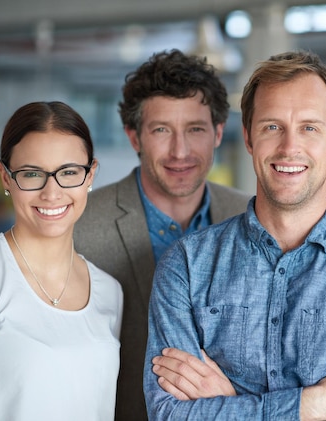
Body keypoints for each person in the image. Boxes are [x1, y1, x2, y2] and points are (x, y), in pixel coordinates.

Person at [143, 50, 326, 420]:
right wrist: (312, 404)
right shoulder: (186, 264)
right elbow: (168, 415)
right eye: (272, 127)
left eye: (309, 127)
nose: (290, 147)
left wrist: (228, 404)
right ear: (248, 138)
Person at [73, 50, 250, 421]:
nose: (180, 151)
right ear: (134, 137)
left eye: (195, 129)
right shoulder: (78, 226)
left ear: (218, 133)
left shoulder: (251, 218)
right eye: (161, 130)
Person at [0, 101, 123, 420]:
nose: (52, 193)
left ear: (90, 175)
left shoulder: (109, 291)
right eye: (32, 174)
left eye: (68, 172)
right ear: (5, 177)